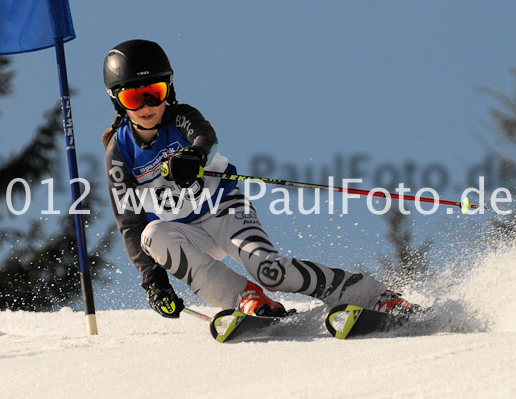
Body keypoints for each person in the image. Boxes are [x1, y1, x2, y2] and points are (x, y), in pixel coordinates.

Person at [102, 39, 416, 319]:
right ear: (117, 101)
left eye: (154, 94)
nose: (146, 106)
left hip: (224, 210)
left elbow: (205, 138)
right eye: (134, 98)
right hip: (184, 232)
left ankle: (373, 296)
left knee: (270, 271)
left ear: (168, 90)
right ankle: (246, 299)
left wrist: (194, 157)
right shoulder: (119, 153)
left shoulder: (180, 116)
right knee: (151, 234)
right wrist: (154, 281)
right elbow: (129, 222)